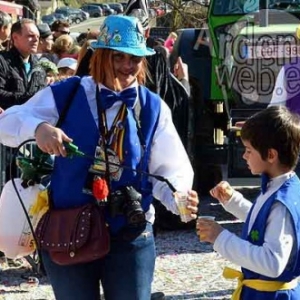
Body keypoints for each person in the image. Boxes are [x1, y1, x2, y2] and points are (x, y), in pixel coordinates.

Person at [0, 15, 198, 300]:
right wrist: (39, 128)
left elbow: (170, 169)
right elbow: (7, 123)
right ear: (102, 56)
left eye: (135, 59)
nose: (128, 66)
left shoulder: (153, 107)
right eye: (119, 57)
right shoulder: (68, 93)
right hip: (69, 230)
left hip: (130, 235)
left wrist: (180, 198)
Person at [197, 106, 300, 299]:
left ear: (271, 155)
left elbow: (272, 262)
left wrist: (220, 237)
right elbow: (264, 221)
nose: (244, 156)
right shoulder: (281, 185)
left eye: (249, 150)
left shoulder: (281, 203)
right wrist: (234, 201)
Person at [0, 18, 47, 109]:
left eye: (37, 36)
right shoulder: (2, 61)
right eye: (30, 36)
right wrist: (28, 98)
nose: (36, 40)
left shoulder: (39, 66)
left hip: (32, 120)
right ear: (15, 37)